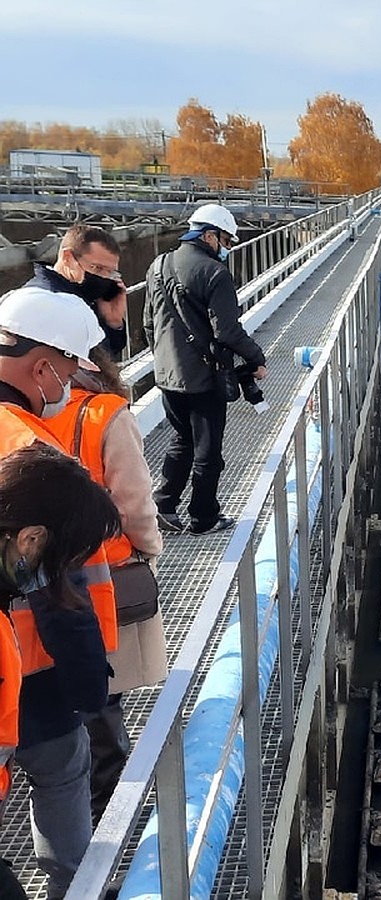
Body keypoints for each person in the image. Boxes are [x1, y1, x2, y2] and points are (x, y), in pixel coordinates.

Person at [0, 286, 116, 899]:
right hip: (32, 670)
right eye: (70, 368)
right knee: (61, 781)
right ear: (44, 366)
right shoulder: (28, 450)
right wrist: (89, 684)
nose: (71, 383)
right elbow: (59, 590)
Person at [43, 348, 165, 824]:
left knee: (59, 702)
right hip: (104, 577)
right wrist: (148, 552)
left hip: (37, 586)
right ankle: (111, 814)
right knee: (101, 695)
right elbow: (134, 503)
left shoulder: (22, 415)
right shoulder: (105, 414)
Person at [143, 203, 267, 535]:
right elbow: (226, 331)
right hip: (203, 379)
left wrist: (168, 360)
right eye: (226, 241)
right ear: (209, 236)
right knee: (208, 452)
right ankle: (203, 517)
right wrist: (257, 358)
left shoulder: (158, 266)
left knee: (182, 439)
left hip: (167, 377)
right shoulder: (216, 273)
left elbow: (148, 325)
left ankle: (163, 506)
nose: (227, 248)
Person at [24, 225, 127, 357]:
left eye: (110, 272)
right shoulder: (46, 302)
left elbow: (105, 356)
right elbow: (89, 360)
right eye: (97, 268)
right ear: (67, 258)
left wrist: (112, 321)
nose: (104, 278)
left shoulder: (81, 296)